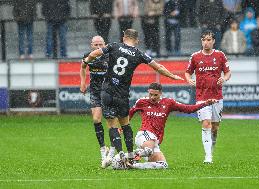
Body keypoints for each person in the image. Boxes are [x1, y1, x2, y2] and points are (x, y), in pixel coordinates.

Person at [83, 29, 183, 165]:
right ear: (137, 40)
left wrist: (87, 60)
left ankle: (120, 153)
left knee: (112, 125)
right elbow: (158, 67)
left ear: (124, 37)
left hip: (107, 91)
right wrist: (173, 76)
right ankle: (130, 154)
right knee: (125, 124)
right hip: (122, 94)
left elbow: (94, 54)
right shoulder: (139, 54)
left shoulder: (113, 46)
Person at [127, 82, 217, 169]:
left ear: (161, 93)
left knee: (163, 165)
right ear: (148, 92)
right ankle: (123, 157)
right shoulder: (142, 102)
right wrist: (123, 127)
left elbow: (188, 109)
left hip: (156, 140)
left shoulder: (168, 103)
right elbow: (130, 113)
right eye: (150, 94)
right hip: (145, 134)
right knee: (148, 150)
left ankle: (133, 165)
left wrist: (205, 104)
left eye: (155, 95)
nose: (152, 97)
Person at [184, 30, 231, 163]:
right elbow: (187, 72)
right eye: (204, 40)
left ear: (213, 41)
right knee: (206, 123)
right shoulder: (195, 56)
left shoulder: (220, 55)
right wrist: (189, 80)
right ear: (201, 41)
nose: (206, 42)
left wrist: (224, 78)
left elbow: (228, 72)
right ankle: (208, 156)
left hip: (217, 96)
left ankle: (211, 147)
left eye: (209, 40)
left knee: (215, 127)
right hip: (202, 97)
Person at [80, 36, 116, 168]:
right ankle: (103, 149)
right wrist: (83, 83)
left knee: (110, 122)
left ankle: (112, 151)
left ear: (104, 44)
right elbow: (83, 67)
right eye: (95, 44)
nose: (98, 46)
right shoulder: (88, 56)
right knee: (96, 119)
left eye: (100, 44)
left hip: (108, 92)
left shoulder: (110, 55)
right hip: (95, 92)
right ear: (91, 45)